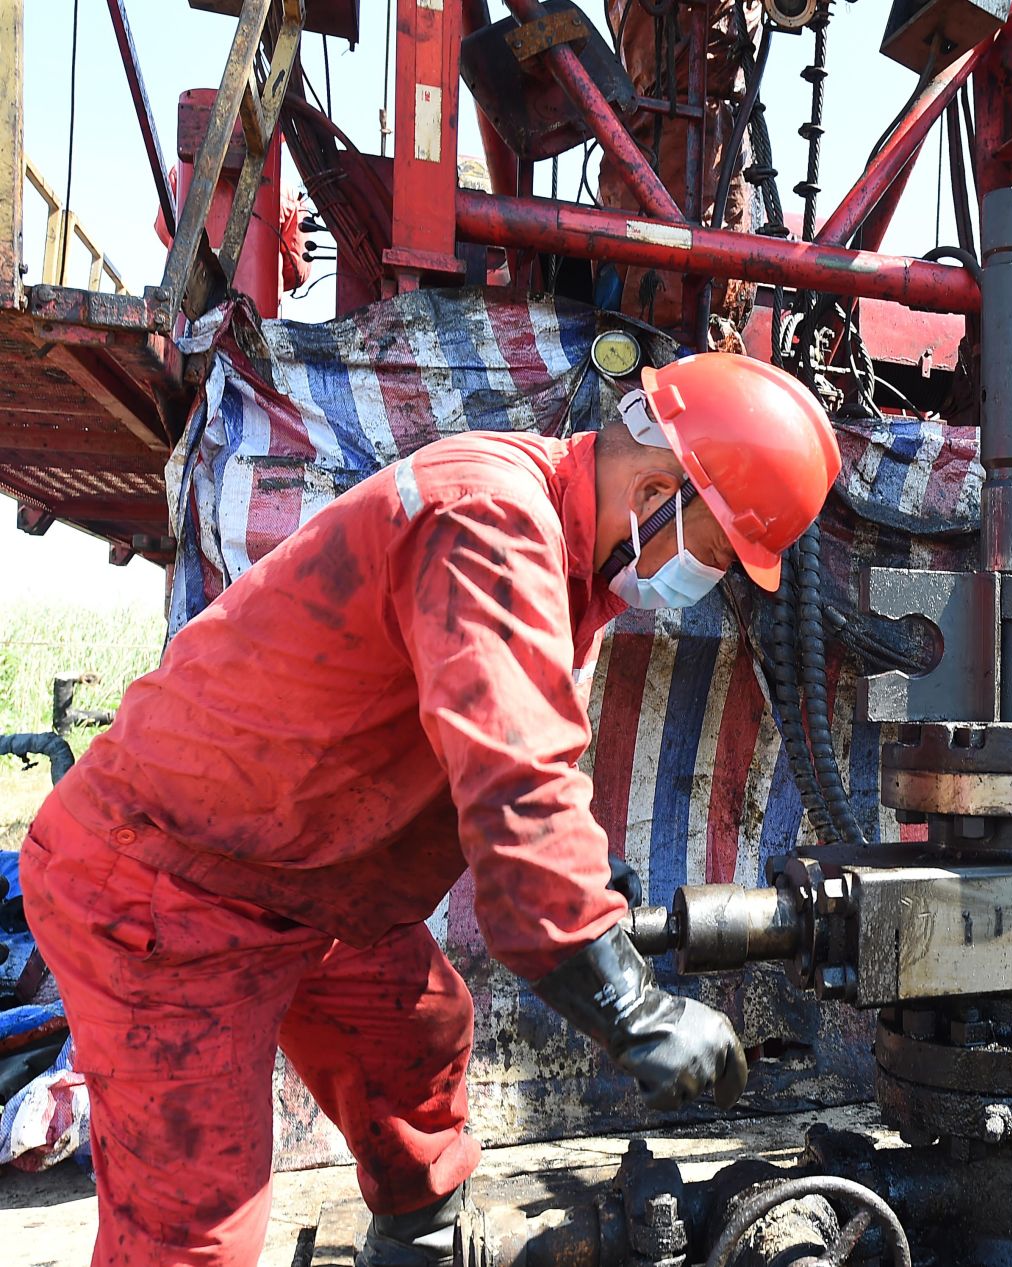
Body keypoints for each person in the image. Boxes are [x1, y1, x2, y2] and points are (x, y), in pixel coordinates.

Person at [19, 353, 842, 1267]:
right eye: (715, 554)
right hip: (167, 884)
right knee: (196, 1226)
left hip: (306, 880)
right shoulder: (490, 518)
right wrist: (633, 1008)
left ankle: (418, 1240)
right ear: (657, 488)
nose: (700, 577)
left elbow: (511, 744)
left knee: (415, 1035)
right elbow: (516, 784)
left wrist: (596, 882)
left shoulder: (568, 560)